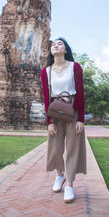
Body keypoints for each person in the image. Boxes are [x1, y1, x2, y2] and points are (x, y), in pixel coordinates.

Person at [41, 37, 87, 203]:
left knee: (73, 149)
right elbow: (46, 98)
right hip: (55, 113)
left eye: (60, 44)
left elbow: (81, 93)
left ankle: (70, 185)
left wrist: (80, 118)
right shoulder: (46, 71)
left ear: (66, 49)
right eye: (54, 44)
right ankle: (59, 175)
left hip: (73, 111)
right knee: (55, 149)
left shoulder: (75, 67)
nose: (56, 45)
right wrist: (49, 122)